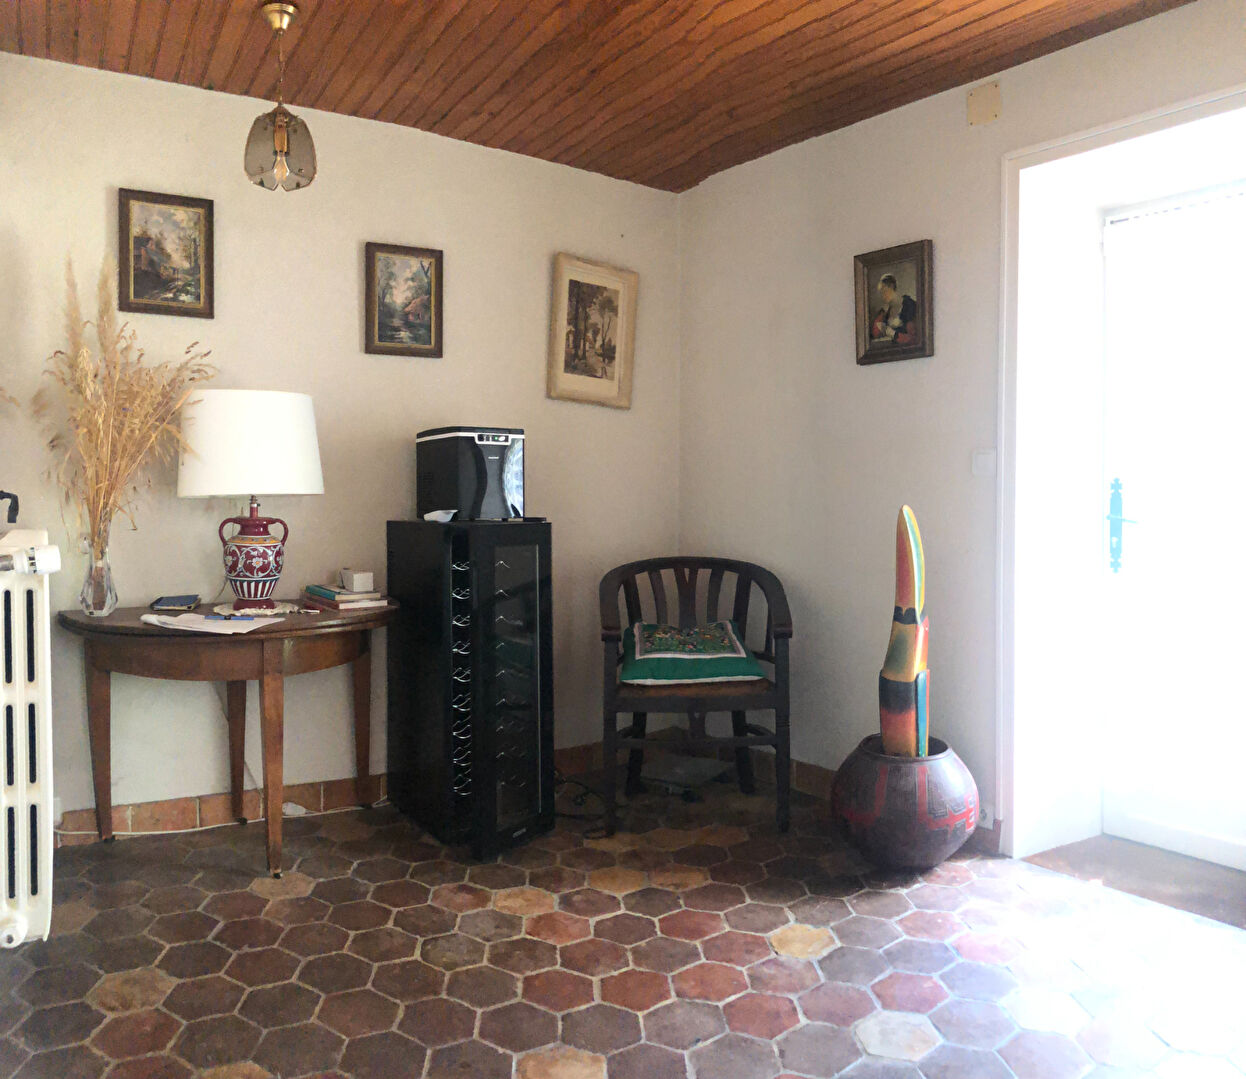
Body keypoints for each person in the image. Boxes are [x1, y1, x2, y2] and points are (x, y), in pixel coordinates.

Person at [870, 273, 918, 345]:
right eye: (881, 293)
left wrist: (893, 334)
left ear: (892, 287)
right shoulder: (886, 311)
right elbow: (875, 332)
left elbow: (914, 339)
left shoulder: (909, 305)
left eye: (884, 291)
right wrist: (882, 314)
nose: (883, 296)